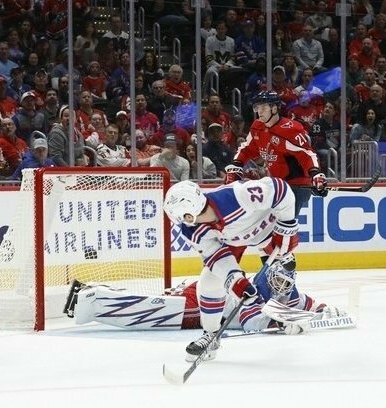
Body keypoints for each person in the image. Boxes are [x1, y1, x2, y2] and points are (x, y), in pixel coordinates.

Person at [162, 178, 299, 361]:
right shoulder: (193, 232)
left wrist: (286, 227)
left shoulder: (236, 195)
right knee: (209, 280)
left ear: (188, 215)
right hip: (233, 240)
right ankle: (211, 335)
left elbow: (281, 190)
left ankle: (291, 306)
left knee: (281, 273)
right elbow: (216, 258)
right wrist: (236, 282)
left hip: (269, 229)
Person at [66, 259, 347, 333]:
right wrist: (283, 323)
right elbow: (252, 323)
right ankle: (93, 299)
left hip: (206, 296)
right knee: (154, 311)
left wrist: (323, 310)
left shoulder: (283, 288)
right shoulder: (251, 292)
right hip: (201, 302)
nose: (282, 286)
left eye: (286, 282)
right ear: (267, 276)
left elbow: (306, 303)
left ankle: (96, 293)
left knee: (162, 301)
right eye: (277, 280)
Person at [225, 90, 326, 220]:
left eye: (263, 107)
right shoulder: (257, 127)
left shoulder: (290, 129)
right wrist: (236, 165)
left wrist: (316, 175)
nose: (259, 111)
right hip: (277, 185)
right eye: (257, 107)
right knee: (264, 225)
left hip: (296, 185)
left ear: (274, 108)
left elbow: (307, 154)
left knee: (281, 226)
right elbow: (247, 149)